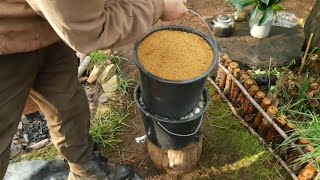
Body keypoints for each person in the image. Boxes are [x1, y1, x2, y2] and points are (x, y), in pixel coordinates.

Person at [0, 0, 188, 179]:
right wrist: (158, 6)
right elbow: (91, 32)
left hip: (49, 25)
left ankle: (85, 170)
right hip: (5, 42)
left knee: (68, 105)